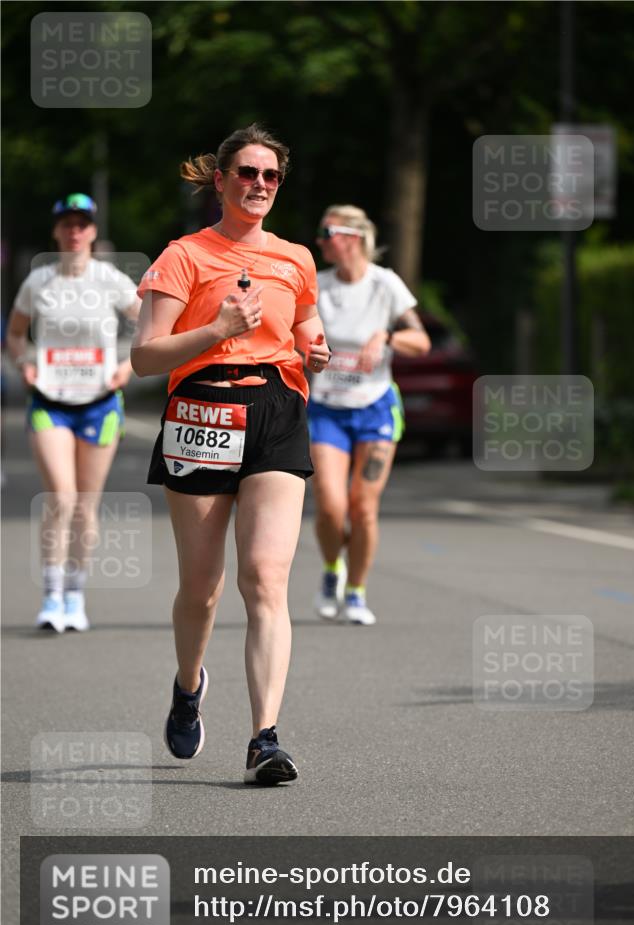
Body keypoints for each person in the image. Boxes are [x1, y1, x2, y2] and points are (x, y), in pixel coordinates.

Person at [131, 123, 330, 785]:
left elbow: (305, 331)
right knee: (203, 588)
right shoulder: (183, 257)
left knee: (266, 580)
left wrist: (316, 352)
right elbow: (143, 356)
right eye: (247, 173)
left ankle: (263, 739)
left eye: (270, 176)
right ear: (219, 181)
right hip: (201, 411)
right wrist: (217, 329)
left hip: (275, 409)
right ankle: (189, 686)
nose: (259, 185)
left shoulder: (295, 258)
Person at [6, 193, 139, 632]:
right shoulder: (38, 282)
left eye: (82, 223)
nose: (74, 231)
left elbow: (153, 324)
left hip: (100, 403)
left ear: (93, 231)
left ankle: (76, 595)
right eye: (67, 223)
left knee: (85, 505)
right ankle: (51, 596)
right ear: (56, 231)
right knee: (60, 498)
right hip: (51, 403)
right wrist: (24, 365)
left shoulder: (111, 279)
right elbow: (16, 333)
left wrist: (126, 366)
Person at [308, 205, 431, 625]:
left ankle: (356, 592)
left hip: (375, 407)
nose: (321, 239)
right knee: (330, 507)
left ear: (353, 237)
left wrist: (388, 336)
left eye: (327, 231)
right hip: (326, 408)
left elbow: (421, 340)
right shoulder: (317, 286)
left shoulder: (385, 285)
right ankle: (331, 571)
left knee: (362, 508)